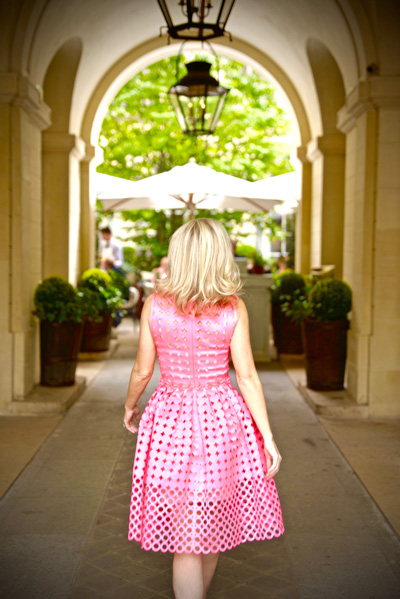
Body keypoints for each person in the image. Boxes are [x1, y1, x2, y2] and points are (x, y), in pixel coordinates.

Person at [124, 219, 284, 599]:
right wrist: (268, 436)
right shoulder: (233, 307)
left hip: (169, 420)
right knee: (208, 527)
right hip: (222, 420)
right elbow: (246, 377)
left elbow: (143, 369)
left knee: (186, 537)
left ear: (177, 256)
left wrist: (130, 406)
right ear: (219, 255)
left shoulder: (155, 305)